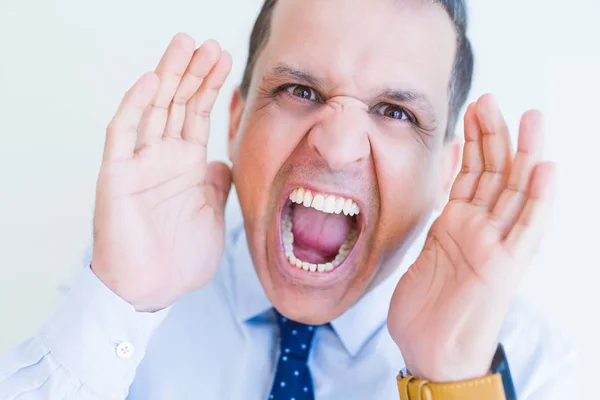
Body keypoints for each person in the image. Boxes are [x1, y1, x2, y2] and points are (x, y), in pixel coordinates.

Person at [0, 0, 577, 399]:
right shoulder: (128, 302)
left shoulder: (524, 363)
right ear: (236, 120)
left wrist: (449, 378)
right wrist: (121, 300)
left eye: (396, 112)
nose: (337, 145)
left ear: (445, 173)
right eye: (299, 90)